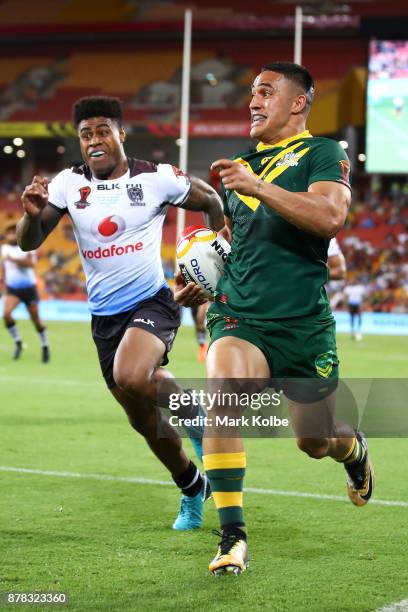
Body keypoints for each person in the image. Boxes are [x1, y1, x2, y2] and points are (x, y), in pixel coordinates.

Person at [175, 62, 374, 575]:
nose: (253, 102)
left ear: (298, 102)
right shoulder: (241, 163)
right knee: (224, 391)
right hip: (240, 316)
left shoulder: (322, 153)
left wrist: (258, 186)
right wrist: (207, 280)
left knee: (314, 440)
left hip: (303, 326)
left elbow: (329, 217)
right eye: (252, 93)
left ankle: (351, 450)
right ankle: (232, 536)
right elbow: (236, 247)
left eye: (266, 92)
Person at [17, 96, 224, 530]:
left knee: (133, 376)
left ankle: (195, 418)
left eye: (102, 131)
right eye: (85, 134)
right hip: (104, 318)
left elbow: (210, 200)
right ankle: (192, 486)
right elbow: (29, 242)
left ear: (120, 133)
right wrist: (31, 217)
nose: (94, 140)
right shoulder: (68, 184)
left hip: (152, 301)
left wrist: (216, 260)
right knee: (143, 420)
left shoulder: (157, 178)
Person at [1, 223, 50, 362]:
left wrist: (14, 260)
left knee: (35, 320)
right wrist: (3, 278)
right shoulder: (4, 248)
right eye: (8, 233)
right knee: (6, 315)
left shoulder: (27, 246)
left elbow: (31, 264)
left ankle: (45, 345)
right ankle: (18, 342)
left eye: (12, 232)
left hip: (29, 288)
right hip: (12, 288)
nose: (10, 235)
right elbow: (4, 265)